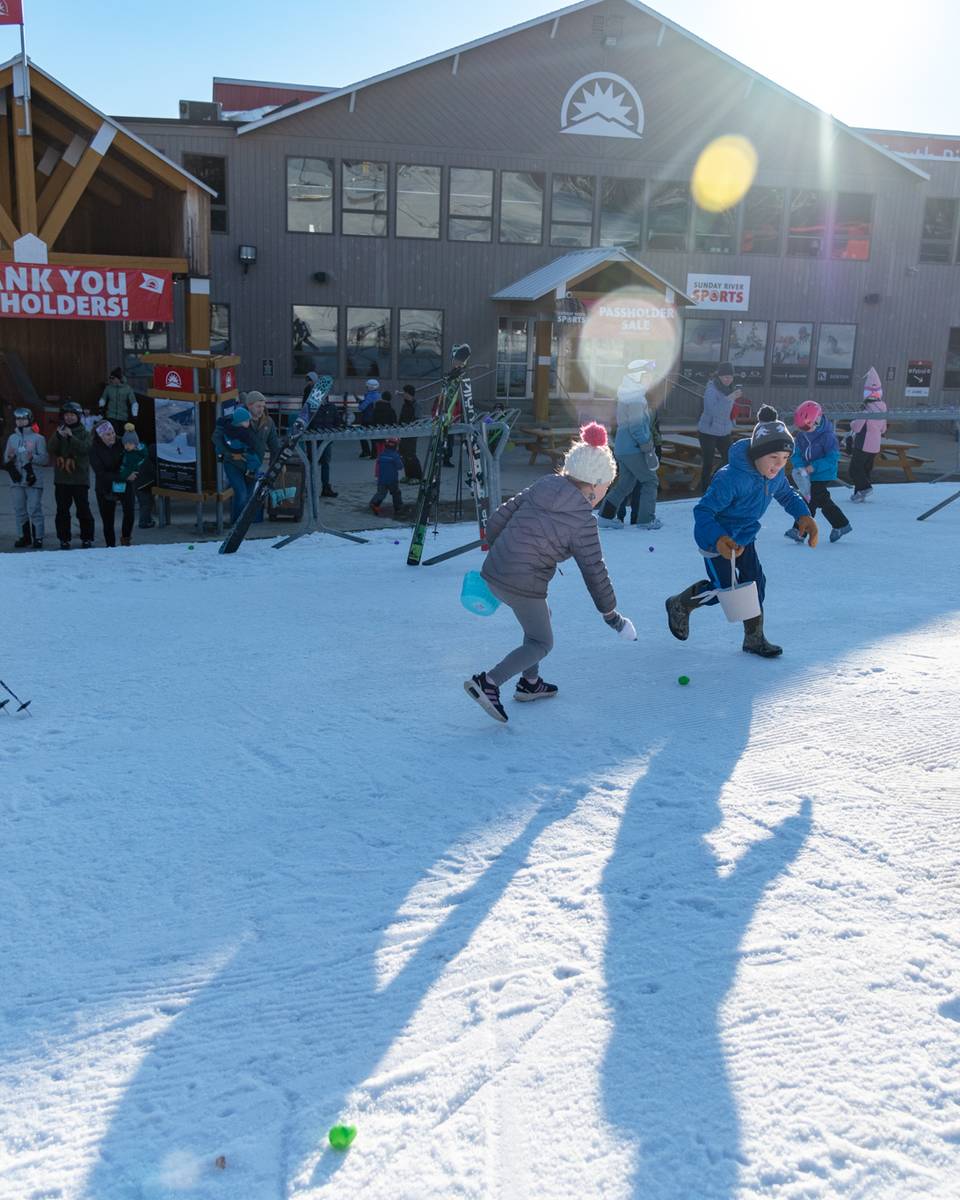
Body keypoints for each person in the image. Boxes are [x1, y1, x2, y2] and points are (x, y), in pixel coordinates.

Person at [464, 423, 637, 724]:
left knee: (541, 618)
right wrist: (611, 616)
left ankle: (530, 684)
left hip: (495, 569)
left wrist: (501, 553)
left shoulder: (543, 485)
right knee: (541, 643)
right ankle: (488, 683)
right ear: (595, 487)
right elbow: (594, 570)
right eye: (605, 490)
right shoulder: (583, 521)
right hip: (523, 584)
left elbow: (497, 520)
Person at [665, 406, 817, 658]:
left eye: (784, 459)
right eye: (773, 458)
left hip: (745, 537)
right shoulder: (731, 479)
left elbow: (787, 494)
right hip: (716, 541)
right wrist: (719, 539)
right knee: (726, 591)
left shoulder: (775, 476)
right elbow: (703, 512)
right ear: (758, 454)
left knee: (755, 585)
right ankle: (680, 603)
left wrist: (803, 515)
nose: (779, 465)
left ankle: (754, 639)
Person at [598, 358, 662, 531]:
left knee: (626, 484)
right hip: (633, 449)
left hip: (623, 447)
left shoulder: (628, 393)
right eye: (648, 375)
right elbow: (636, 427)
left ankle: (605, 516)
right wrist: (647, 446)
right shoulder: (636, 397)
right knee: (650, 481)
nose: (651, 379)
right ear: (638, 375)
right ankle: (646, 520)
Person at [785, 400, 852, 545]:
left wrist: (813, 467)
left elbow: (832, 458)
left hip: (823, 473)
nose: (803, 431)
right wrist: (800, 466)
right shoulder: (802, 435)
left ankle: (800, 531)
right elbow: (796, 453)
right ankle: (841, 525)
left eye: (806, 427)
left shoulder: (828, 437)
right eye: (801, 428)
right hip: (807, 474)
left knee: (811, 499)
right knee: (817, 501)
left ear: (816, 421)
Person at [47, 400, 95, 549]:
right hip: (62, 479)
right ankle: (64, 538)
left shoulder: (85, 433)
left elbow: (85, 449)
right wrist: (59, 436)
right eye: (66, 415)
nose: (69, 418)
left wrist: (70, 437)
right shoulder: (59, 431)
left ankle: (87, 538)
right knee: (62, 510)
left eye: (72, 415)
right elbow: (51, 449)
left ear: (78, 416)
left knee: (83, 509)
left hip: (80, 479)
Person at [3, 406, 47, 549]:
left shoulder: (38, 438)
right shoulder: (12, 438)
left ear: (29, 419)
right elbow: (5, 458)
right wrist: (10, 458)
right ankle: (24, 536)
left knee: (34, 508)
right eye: (18, 419)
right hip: (16, 479)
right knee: (19, 509)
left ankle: (38, 537)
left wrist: (32, 457)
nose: (20, 421)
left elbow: (44, 459)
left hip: (33, 479)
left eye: (23, 418)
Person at [90, 420, 137, 546]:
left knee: (129, 512)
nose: (112, 437)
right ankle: (110, 546)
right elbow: (101, 473)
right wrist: (124, 476)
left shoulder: (122, 441)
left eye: (112, 433)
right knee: (108, 519)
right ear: (100, 437)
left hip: (125, 483)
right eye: (107, 435)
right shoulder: (94, 448)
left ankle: (126, 539)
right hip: (105, 485)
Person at [213, 405, 261, 525]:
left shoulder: (247, 431)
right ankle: (237, 523)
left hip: (249, 467)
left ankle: (242, 521)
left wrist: (251, 469)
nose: (249, 422)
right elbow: (218, 445)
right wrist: (228, 456)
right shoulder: (227, 431)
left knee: (248, 496)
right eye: (246, 421)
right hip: (235, 465)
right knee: (241, 494)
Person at [698, 361, 740, 493]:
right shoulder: (711, 389)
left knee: (731, 458)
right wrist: (730, 398)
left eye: (731, 377)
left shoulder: (730, 388)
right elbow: (713, 410)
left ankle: (715, 481)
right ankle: (705, 491)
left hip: (724, 430)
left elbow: (729, 411)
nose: (728, 379)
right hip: (708, 431)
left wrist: (732, 421)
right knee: (708, 463)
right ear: (719, 376)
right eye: (725, 377)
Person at [848, 367, 888, 502]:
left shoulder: (866, 410)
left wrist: (852, 423)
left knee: (854, 469)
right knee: (865, 470)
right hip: (875, 445)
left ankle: (865, 487)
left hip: (863, 444)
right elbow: (883, 429)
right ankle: (859, 494)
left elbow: (857, 427)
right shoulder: (883, 409)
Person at [307, 379, 343, 498]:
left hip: (326, 441)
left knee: (325, 464)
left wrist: (334, 432)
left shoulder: (331, 407)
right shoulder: (310, 407)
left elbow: (338, 422)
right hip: (313, 441)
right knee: (312, 465)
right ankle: (308, 488)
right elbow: (305, 424)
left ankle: (326, 488)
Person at [370, 437, 404, 517]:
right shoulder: (395, 456)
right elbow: (400, 467)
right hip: (392, 479)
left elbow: (378, 464)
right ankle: (398, 508)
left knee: (381, 493)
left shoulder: (382, 454)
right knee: (396, 493)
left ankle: (375, 503)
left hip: (381, 479)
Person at [98, 367, 139, 434]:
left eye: (113, 378)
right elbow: (103, 398)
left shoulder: (127, 389)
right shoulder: (108, 388)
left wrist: (135, 414)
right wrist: (101, 407)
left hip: (123, 416)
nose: (111, 380)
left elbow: (134, 402)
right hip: (111, 415)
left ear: (118, 378)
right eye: (110, 378)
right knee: (113, 432)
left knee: (121, 434)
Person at [398, 383, 423, 483]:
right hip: (403, 432)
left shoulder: (416, 404)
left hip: (412, 432)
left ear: (409, 394)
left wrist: (411, 427)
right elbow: (401, 417)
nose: (403, 394)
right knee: (403, 454)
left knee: (411, 454)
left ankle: (417, 477)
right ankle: (408, 475)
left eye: (404, 392)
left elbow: (417, 419)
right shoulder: (405, 404)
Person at [357, 379, 379, 458]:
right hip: (375, 419)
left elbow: (362, 408)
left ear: (370, 387)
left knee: (362, 435)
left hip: (367, 418)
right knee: (373, 436)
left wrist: (360, 402)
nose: (366, 388)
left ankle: (366, 451)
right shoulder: (379, 395)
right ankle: (374, 453)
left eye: (367, 386)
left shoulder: (369, 396)